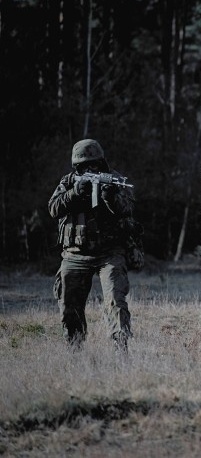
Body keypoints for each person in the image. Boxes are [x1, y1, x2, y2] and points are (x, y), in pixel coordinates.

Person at [47, 139, 137, 351]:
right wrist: (75, 192)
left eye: (95, 164)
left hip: (109, 252)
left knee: (116, 302)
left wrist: (109, 196)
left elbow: (128, 209)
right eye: (85, 166)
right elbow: (53, 208)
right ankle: (75, 348)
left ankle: (120, 349)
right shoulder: (69, 182)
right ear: (77, 167)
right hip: (75, 253)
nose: (91, 169)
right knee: (69, 306)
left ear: (101, 163)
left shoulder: (114, 180)